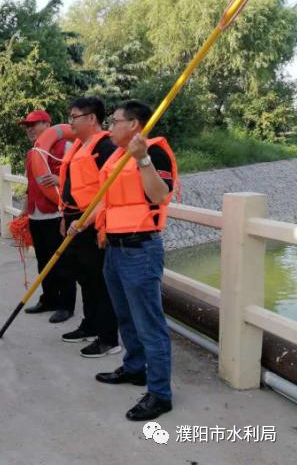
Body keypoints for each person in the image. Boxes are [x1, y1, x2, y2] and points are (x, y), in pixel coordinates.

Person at [91, 100, 177, 421]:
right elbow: (110, 201)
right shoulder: (115, 157)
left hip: (140, 250)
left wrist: (142, 160)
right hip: (114, 248)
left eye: (115, 121)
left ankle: (160, 394)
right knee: (124, 316)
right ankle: (135, 368)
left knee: (149, 324)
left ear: (135, 125)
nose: (110, 127)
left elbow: (158, 195)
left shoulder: (152, 153)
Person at [58, 97, 120, 358]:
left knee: (100, 281)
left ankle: (108, 338)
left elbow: (109, 193)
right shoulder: (78, 148)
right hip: (74, 220)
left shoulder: (104, 147)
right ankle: (90, 324)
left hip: (92, 224)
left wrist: (86, 221)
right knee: (85, 278)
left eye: (75, 116)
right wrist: (65, 215)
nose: (70, 121)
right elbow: (73, 188)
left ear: (92, 118)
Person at [19, 110, 76, 324]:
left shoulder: (67, 147)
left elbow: (80, 179)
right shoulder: (32, 152)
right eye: (27, 126)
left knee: (62, 263)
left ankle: (66, 305)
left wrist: (59, 180)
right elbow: (30, 185)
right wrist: (25, 211)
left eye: (34, 124)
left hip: (56, 214)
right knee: (43, 261)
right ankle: (49, 299)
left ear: (47, 124)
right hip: (37, 215)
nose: (29, 129)